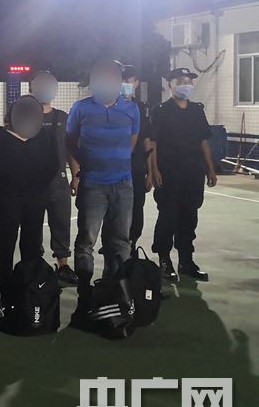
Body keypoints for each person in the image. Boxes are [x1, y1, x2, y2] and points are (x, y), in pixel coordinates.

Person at [66, 59, 140, 316]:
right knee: (86, 240)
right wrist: (81, 167)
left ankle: (115, 291)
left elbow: (132, 140)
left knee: (120, 242)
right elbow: (70, 141)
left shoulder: (131, 109)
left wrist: (117, 160)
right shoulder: (81, 108)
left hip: (123, 184)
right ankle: (84, 292)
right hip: (92, 185)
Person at [0, 96, 58, 303]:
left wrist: (39, 186)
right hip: (8, 199)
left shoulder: (45, 136)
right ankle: (6, 293)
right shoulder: (0, 135)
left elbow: (53, 164)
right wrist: (5, 184)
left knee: (31, 245)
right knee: (6, 245)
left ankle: (29, 289)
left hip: (35, 199)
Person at [149, 67, 216, 282]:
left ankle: (186, 261)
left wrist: (210, 168)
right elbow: (153, 143)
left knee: (189, 218)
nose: (185, 85)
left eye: (188, 81)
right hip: (169, 173)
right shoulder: (161, 111)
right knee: (168, 218)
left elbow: (203, 141)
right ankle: (164, 261)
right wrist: (154, 170)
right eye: (179, 81)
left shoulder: (197, 110)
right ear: (170, 84)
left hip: (193, 174)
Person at [29, 70, 80, 287]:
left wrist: (76, 176)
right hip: (32, 183)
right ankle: (35, 265)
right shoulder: (25, 116)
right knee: (32, 225)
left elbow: (71, 150)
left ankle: (63, 265)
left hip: (59, 182)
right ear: (32, 87)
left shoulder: (63, 118)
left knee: (61, 223)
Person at [120, 65, 155, 253]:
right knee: (115, 210)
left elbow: (146, 140)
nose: (125, 83)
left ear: (137, 83)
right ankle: (113, 253)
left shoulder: (141, 108)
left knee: (136, 209)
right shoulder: (108, 105)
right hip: (114, 168)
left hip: (136, 167)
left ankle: (131, 246)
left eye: (129, 80)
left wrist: (150, 172)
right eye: (122, 80)